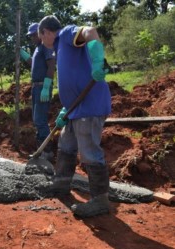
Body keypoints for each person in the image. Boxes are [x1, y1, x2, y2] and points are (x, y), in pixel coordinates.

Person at [38, 16, 111, 218]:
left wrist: (98, 61)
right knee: (66, 146)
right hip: (74, 109)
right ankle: (61, 184)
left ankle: (100, 200)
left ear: (46, 32)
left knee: (89, 152)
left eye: (41, 37)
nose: (43, 42)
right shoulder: (60, 47)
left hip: (89, 106)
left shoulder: (66, 34)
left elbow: (91, 31)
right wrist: (65, 108)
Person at [20, 23, 56, 162]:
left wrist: (47, 86)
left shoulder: (46, 47)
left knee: (40, 120)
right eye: (31, 36)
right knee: (37, 120)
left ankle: (47, 152)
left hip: (43, 87)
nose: (32, 38)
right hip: (36, 88)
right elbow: (33, 63)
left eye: (34, 34)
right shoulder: (37, 49)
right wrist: (22, 53)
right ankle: (41, 149)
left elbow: (52, 64)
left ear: (41, 33)